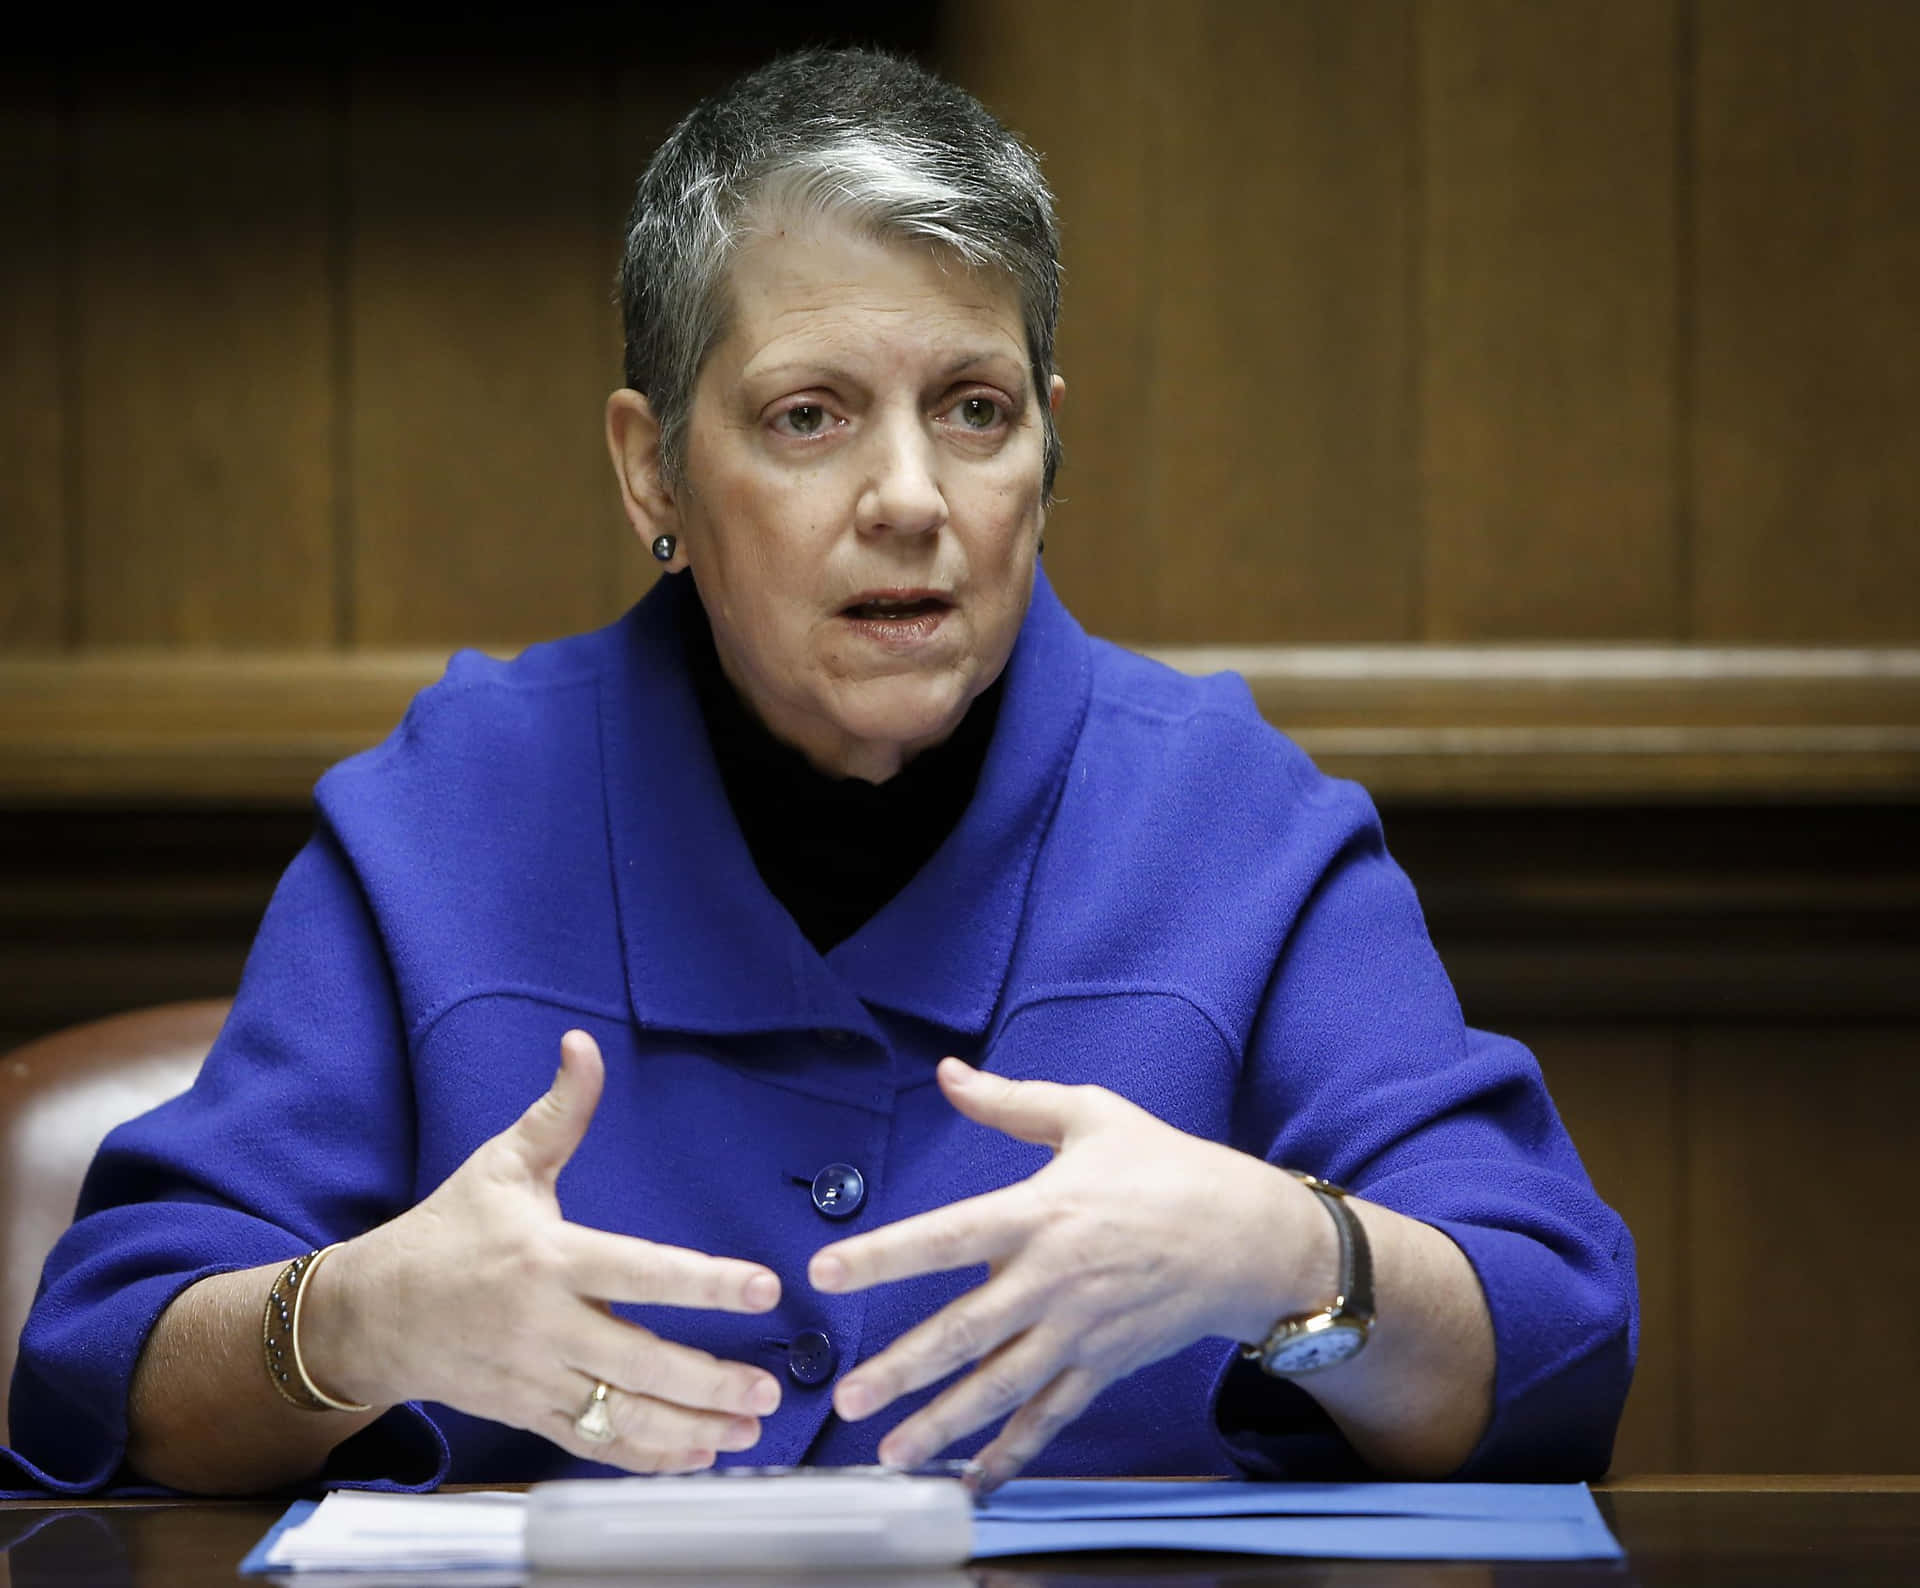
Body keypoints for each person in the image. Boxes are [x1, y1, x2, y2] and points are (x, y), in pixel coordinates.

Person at [4, 48, 1633, 1498]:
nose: (910, 494)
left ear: (1048, 451)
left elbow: (1552, 1352)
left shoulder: (1238, 826)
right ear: (653, 465)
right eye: (810, 417)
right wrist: (352, 1322)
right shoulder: (446, 819)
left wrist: (1294, 1254)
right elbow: (115, 1364)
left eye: (975, 410)